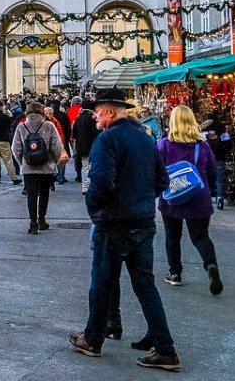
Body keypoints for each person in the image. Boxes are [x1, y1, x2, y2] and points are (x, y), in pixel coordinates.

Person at [67, 88, 179, 372]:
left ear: (109, 112)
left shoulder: (107, 139)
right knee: (146, 286)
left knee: (101, 284)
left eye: (97, 113)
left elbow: (100, 181)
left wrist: (95, 210)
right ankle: (165, 348)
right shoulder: (144, 138)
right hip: (143, 222)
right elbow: (162, 180)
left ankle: (92, 339)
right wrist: (141, 200)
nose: (95, 119)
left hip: (113, 223)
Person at [157, 105, 224, 296]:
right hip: (198, 197)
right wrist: (208, 189)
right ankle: (211, 265)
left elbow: (156, 169)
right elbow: (212, 170)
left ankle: (175, 272)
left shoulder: (165, 145)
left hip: (173, 196)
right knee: (201, 236)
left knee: (172, 235)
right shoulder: (202, 145)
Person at [17, 101, 68, 232]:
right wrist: (55, 163)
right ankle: (42, 220)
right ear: (42, 112)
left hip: (29, 168)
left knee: (31, 195)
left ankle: (33, 223)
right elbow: (57, 146)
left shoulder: (22, 126)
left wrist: (22, 162)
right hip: (46, 167)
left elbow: (15, 148)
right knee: (44, 193)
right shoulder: (48, 125)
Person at [71, 102, 99, 186]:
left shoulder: (78, 119)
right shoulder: (93, 119)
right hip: (93, 146)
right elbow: (97, 132)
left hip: (82, 146)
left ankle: (85, 186)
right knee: (93, 165)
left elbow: (74, 134)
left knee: (85, 166)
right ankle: (92, 184)